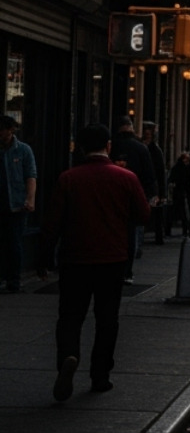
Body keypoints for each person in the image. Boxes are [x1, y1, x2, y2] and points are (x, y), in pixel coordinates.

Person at [38, 124, 149, 400]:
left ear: (82, 148)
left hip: (75, 258)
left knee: (70, 316)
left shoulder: (68, 179)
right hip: (112, 259)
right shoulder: (126, 178)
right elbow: (143, 214)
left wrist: (44, 257)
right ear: (108, 146)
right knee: (107, 318)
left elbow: (52, 223)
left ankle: (68, 355)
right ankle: (100, 375)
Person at [111, 116, 159, 283]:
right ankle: (127, 271)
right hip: (132, 198)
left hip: (110, 197)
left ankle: (111, 269)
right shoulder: (140, 148)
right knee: (130, 235)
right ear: (131, 128)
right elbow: (149, 175)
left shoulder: (111, 146)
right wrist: (150, 195)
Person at [1, 115, 38, 292]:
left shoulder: (23, 150)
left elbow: (30, 175)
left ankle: (13, 280)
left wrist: (30, 199)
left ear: (11, 130)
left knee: (14, 243)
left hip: (15, 204)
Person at [141, 122, 169, 245]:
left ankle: (159, 236)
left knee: (156, 211)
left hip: (152, 185)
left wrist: (162, 193)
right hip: (145, 184)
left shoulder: (155, 150)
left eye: (148, 134)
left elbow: (160, 172)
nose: (147, 136)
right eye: (145, 133)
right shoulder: (144, 148)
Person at [168, 152, 190, 238]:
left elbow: (171, 179)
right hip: (184, 193)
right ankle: (186, 230)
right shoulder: (187, 168)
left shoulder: (176, 167)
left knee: (173, 212)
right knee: (185, 213)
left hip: (177, 192)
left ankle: (168, 230)